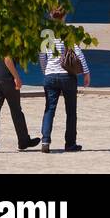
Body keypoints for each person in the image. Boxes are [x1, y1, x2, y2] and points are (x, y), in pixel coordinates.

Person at [39, 8, 91, 153]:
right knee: (71, 111)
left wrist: (46, 72)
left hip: (50, 75)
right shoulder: (68, 32)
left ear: (50, 15)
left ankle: (45, 141)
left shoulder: (46, 33)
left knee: (49, 109)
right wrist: (86, 72)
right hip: (67, 75)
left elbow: (42, 56)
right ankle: (70, 143)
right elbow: (78, 52)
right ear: (64, 16)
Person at [0, 54, 40, 154]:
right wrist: (16, 77)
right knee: (16, 111)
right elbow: (7, 58)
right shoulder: (6, 39)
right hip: (7, 77)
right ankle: (23, 141)